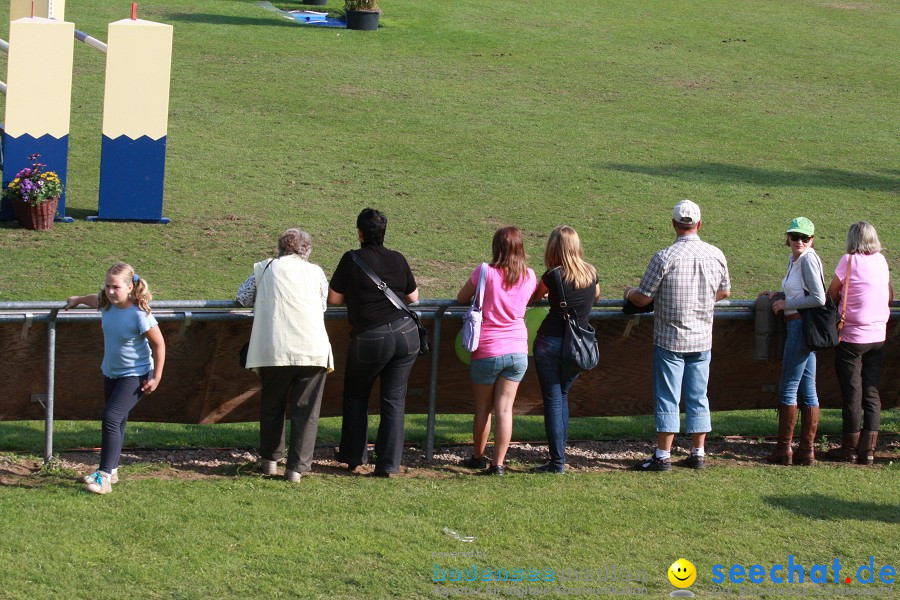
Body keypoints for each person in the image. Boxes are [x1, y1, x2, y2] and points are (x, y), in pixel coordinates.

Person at [624, 200, 731, 471]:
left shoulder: (665, 257)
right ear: (699, 224)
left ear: (673, 224)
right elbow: (724, 292)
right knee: (698, 395)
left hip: (670, 338)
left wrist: (627, 293)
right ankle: (698, 452)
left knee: (668, 396)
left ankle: (663, 454)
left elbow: (643, 297)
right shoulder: (715, 254)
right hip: (702, 337)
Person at [328, 208, 420, 477]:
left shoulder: (351, 259)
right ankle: (389, 464)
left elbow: (334, 299)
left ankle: (354, 456)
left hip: (370, 336)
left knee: (357, 394)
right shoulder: (398, 258)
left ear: (359, 233)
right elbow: (413, 297)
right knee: (394, 400)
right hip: (406, 334)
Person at [236, 229, 333, 482]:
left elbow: (243, 297)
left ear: (280, 249)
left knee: (272, 405)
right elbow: (322, 304)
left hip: (274, 348)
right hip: (312, 349)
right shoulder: (317, 272)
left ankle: (270, 460)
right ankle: (296, 469)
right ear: (307, 250)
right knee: (307, 411)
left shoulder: (265, 268)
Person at [65, 263, 166, 494]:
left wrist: (157, 377)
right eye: (108, 286)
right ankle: (113, 470)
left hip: (136, 374)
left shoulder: (139, 314)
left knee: (111, 417)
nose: (110, 291)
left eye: (116, 287)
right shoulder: (106, 304)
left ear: (130, 287)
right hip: (111, 372)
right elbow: (94, 299)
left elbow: (159, 345)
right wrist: (78, 299)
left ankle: (103, 477)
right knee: (117, 421)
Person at [456, 226, 537, 475]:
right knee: (505, 409)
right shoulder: (530, 276)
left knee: (483, 408)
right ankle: (498, 464)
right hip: (518, 351)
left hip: (488, 349)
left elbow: (461, 298)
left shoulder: (484, 272)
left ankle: (478, 456)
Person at [530, 226, 600, 473]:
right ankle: (560, 455)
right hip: (577, 347)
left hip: (550, 342)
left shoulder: (552, 276)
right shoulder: (591, 273)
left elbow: (534, 298)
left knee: (553, 399)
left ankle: (557, 460)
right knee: (563, 396)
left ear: (553, 248)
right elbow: (597, 297)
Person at [824, 222, 893, 465]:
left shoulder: (848, 261)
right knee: (872, 392)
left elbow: (832, 293)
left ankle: (850, 447)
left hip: (852, 336)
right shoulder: (881, 262)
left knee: (853, 393)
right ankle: (869, 450)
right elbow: (890, 296)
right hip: (878, 335)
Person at [761, 217, 827, 466]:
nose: (799, 241)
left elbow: (818, 298)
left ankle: (784, 449)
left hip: (799, 325)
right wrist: (778, 294)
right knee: (808, 388)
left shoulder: (808, 258)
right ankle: (806, 450)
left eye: (804, 237)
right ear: (787, 237)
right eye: (795, 236)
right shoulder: (795, 259)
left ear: (812, 240)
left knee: (789, 386)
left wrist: (786, 304)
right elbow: (801, 291)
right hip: (800, 325)